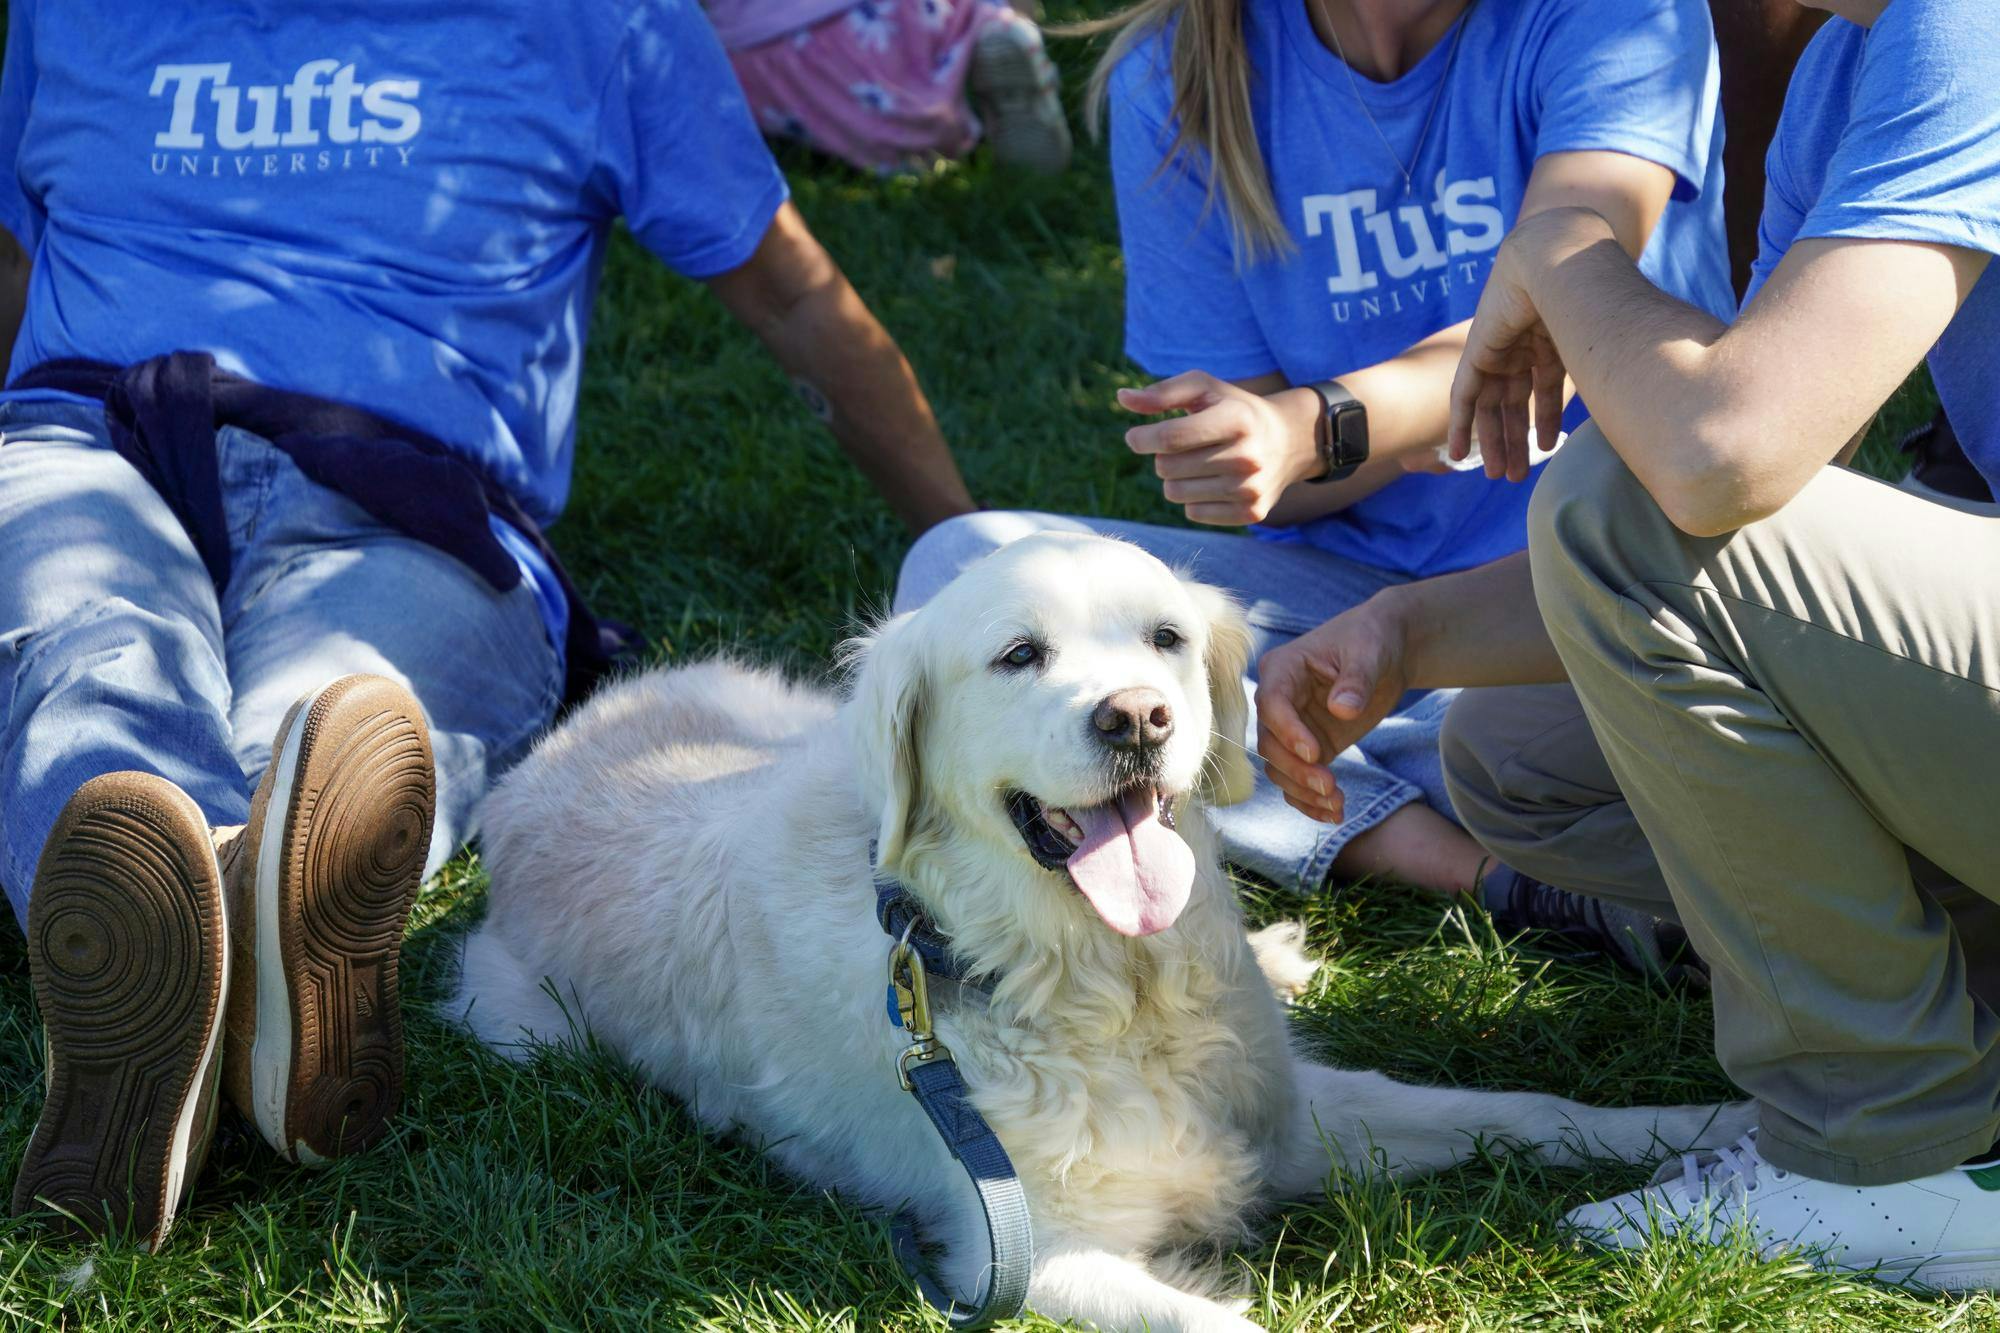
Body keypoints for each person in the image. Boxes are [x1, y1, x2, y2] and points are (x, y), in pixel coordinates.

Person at [0, 0, 973, 1247]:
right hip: (92, 447)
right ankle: (224, 926)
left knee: (330, 716)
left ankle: (184, 932)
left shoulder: (597, 22)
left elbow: (794, 301)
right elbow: (24, 255)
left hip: (409, 496)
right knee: (87, 638)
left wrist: (961, 555)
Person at [1257, 0, 2000, 1287]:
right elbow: (1728, 525)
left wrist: (1557, 246)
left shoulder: (1963, 24)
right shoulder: (1849, 59)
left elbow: (1719, 459)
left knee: (1605, 500)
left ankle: (1889, 1154)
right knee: (1514, 756)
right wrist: (1407, 630)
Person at [896, 0, 1733, 967]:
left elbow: (1568, 308)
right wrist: (1263, 454)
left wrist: (1317, 423)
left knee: (1505, 731)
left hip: (1593, 596)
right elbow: (1283, 492)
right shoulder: (1176, 75)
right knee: (955, 566)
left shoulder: (1609, 14)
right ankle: (1482, 873)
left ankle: (1349, 777)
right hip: (1342, 624)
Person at [703, 0, 1072, 175]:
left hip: (766, 63)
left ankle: (886, 145)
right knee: (971, 13)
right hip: (888, 24)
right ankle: (1000, 26)